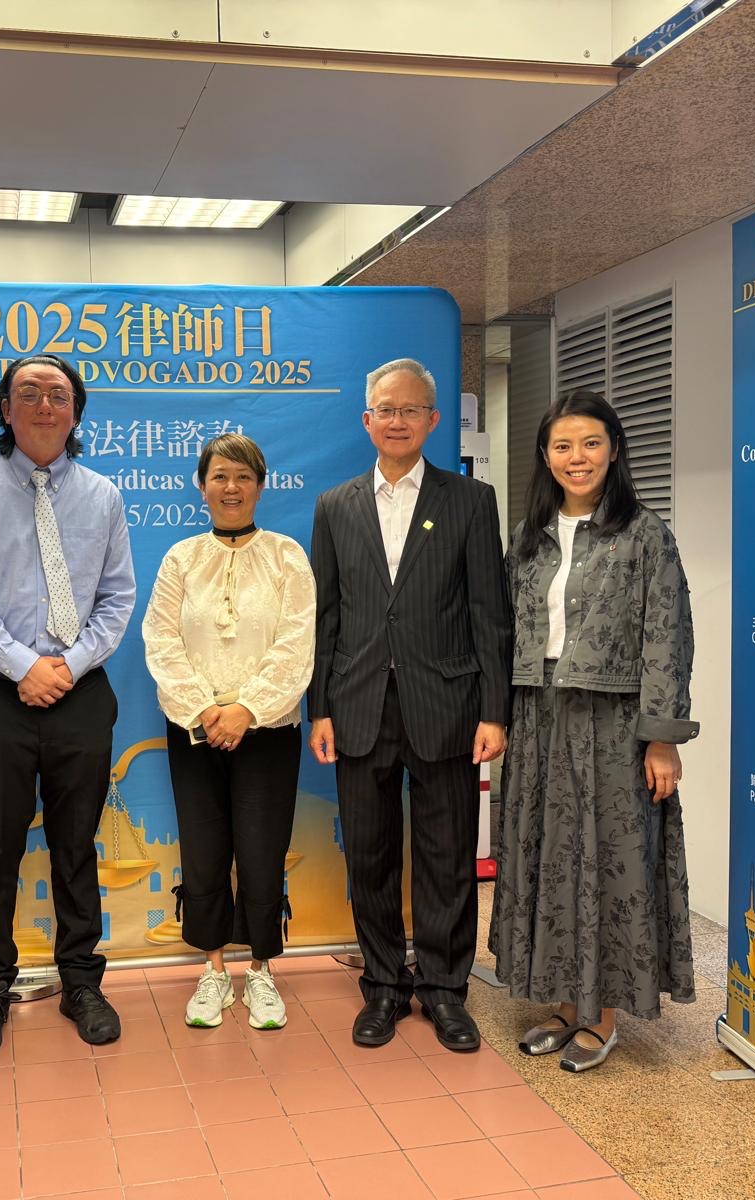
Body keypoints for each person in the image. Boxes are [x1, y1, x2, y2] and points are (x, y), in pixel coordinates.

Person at [488, 389, 698, 1073]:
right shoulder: (528, 538)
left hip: (612, 723)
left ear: (614, 450)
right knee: (548, 857)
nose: (576, 457)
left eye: (590, 443)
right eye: (562, 446)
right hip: (538, 715)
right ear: (545, 456)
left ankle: (601, 1015)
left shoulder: (644, 535)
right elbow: (504, 629)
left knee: (606, 859)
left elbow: (667, 637)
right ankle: (560, 1002)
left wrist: (661, 737)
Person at [308, 358, 511, 1053]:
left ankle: (446, 990)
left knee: (447, 854)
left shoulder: (470, 501)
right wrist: (320, 708)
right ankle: (384, 986)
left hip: (446, 704)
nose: (397, 421)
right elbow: (326, 615)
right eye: (385, 410)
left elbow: (489, 612)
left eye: (411, 409)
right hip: (358, 704)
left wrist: (494, 711)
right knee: (368, 855)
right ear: (367, 420)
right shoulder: (335, 505)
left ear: (433, 420)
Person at [0, 353, 136, 1057]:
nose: (45, 405)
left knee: (75, 845)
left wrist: (67, 667)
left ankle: (81, 980)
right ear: (5, 408)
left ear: (75, 411)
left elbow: (117, 597)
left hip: (81, 692)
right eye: (29, 393)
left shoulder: (103, 495)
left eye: (58, 394)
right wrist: (23, 665)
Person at [142, 433, 315, 1031]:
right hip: (195, 729)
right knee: (204, 849)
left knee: (263, 852)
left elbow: (297, 642)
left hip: (268, 728)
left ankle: (261, 970)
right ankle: (213, 970)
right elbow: (161, 639)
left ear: (261, 487)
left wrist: (248, 709)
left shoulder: (287, 556)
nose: (231, 487)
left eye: (243, 477)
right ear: (202, 486)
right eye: (219, 476)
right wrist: (203, 710)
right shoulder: (181, 558)